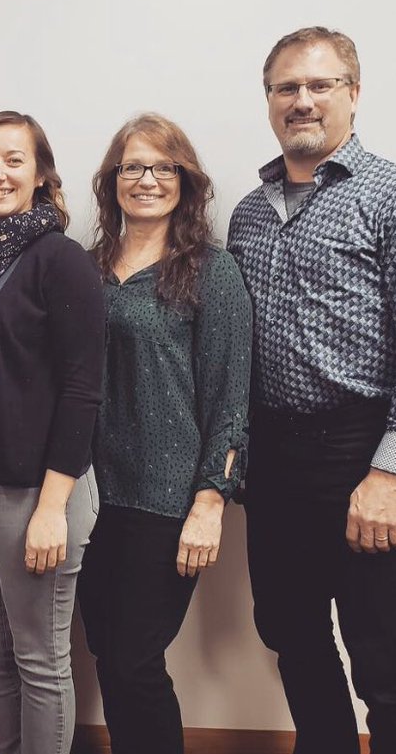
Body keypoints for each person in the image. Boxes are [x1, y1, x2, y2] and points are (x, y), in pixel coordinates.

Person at [227, 27, 396, 754]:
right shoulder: (248, 212)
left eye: (320, 84)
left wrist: (392, 471)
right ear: (270, 100)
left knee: (383, 648)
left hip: (364, 450)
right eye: (286, 88)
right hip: (276, 458)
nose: (302, 100)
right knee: (290, 629)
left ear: (353, 94)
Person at [77, 113, 251, 753]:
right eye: (132, 167)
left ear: (185, 181)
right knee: (104, 650)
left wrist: (211, 500)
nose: (146, 179)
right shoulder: (86, 267)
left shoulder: (213, 272)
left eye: (162, 167)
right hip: (91, 496)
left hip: (168, 501)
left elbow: (232, 397)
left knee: (132, 658)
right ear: (112, 181)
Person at [0, 111, 103, 754]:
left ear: (40, 175)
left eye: (13, 160)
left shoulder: (60, 261)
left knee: (39, 655)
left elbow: (83, 389)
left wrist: (53, 507)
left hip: (34, 490)